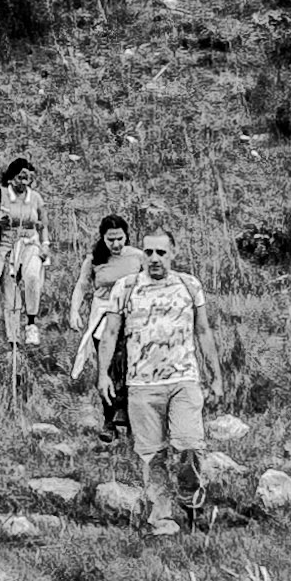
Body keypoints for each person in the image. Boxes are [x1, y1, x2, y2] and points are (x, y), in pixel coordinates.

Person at [93, 228, 224, 537]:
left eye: (161, 253)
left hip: (183, 380)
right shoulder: (126, 287)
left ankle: (191, 502)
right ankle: (161, 519)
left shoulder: (189, 285)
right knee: (152, 456)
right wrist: (103, 374)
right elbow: (110, 333)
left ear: (173, 254)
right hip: (141, 385)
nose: (154, 258)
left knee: (190, 445)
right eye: (149, 252)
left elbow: (203, 331)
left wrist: (216, 376)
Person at [69, 215, 145, 437]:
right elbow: (82, 285)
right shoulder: (94, 260)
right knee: (108, 365)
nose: (116, 244)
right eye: (111, 239)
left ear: (126, 236)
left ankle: (130, 417)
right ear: (103, 238)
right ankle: (110, 420)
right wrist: (74, 311)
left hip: (131, 314)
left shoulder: (138, 257)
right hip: (103, 314)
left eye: (120, 238)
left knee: (129, 364)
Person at [0, 157, 50, 347]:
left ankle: (31, 324)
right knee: (11, 291)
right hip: (8, 246)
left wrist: (45, 244)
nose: (24, 182)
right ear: (11, 177)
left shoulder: (35, 198)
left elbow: (44, 224)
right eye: (21, 177)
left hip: (31, 244)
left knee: (32, 277)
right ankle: (13, 338)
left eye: (28, 178)